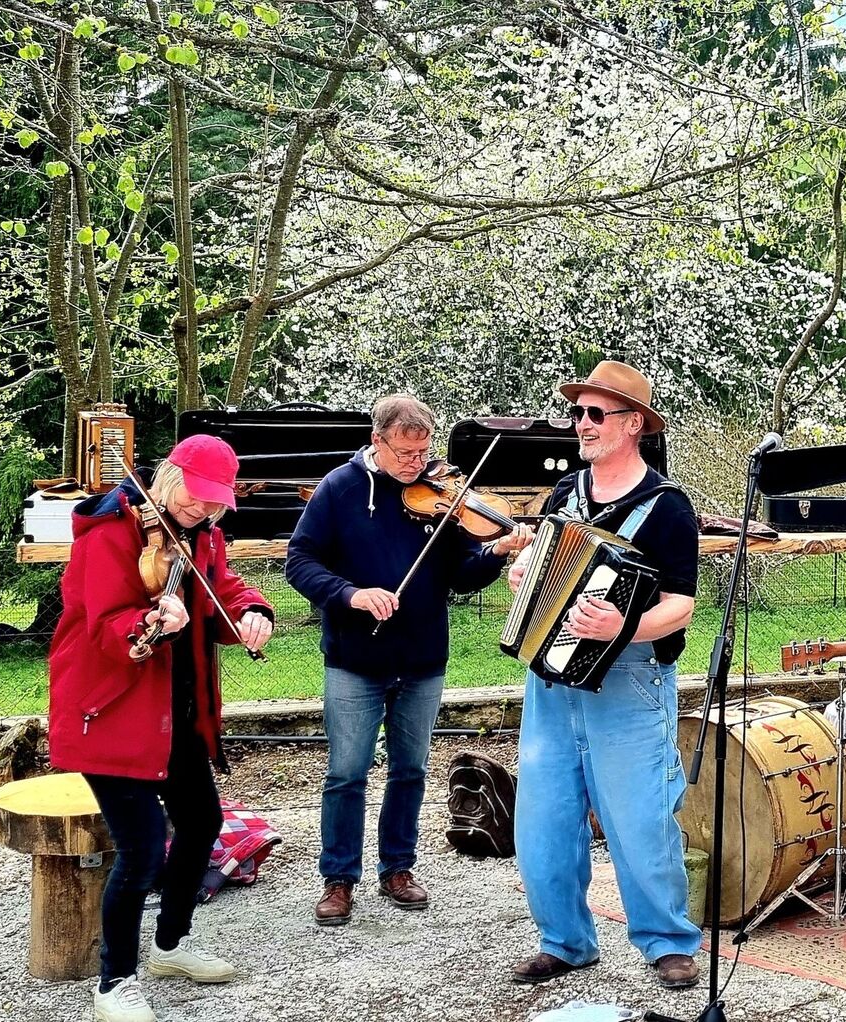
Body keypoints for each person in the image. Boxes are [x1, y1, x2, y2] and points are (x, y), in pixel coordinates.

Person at [49, 435, 275, 1022]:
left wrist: (252, 609)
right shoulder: (109, 534)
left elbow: (222, 588)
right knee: (143, 850)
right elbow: (103, 623)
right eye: (195, 495)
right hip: (112, 712)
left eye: (215, 500)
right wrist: (149, 621)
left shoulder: (204, 535)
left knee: (201, 823)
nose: (203, 508)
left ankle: (169, 947)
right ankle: (114, 983)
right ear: (170, 477)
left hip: (177, 714)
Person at [286, 394, 532, 926]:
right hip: (354, 659)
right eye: (404, 453)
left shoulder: (442, 496)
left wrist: (494, 552)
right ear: (377, 440)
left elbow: (460, 576)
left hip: (422, 657)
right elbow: (299, 561)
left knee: (410, 770)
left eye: (423, 452)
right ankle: (338, 878)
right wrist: (350, 594)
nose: (416, 464)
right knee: (347, 773)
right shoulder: (340, 488)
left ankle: (397, 867)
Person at [508, 360, 702, 990]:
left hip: (631, 681)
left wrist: (621, 627)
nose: (581, 424)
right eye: (578, 412)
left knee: (640, 818)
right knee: (544, 819)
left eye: (596, 413)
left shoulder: (668, 508)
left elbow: (680, 606)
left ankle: (667, 941)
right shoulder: (565, 494)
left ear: (634, 424)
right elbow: (539, 570)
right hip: (551, 680)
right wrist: (521, 576)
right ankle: (563, 941)